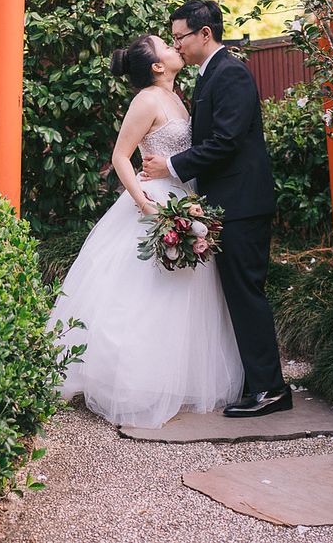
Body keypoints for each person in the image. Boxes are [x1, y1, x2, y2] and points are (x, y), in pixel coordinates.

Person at [48, 33, 244, 429]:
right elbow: (121, 156)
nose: (175, 49)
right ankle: (134, 382)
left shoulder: (176, 96)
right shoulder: (147, 100)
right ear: (157, 65)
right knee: (144, 292)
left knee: (184, 293)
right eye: (166, 47)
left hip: (184, 198)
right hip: (154, 200)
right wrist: (143, 202)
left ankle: (176, 378)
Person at [141, 0, 291, 418]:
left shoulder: (231, 74)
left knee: (246, 295)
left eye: (180, 38)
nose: (178, 46)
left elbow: (225, 143)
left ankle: (272, 390)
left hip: (242, 205)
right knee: (237, 296)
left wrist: (170, 164)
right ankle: (254, 381)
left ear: (205, 34)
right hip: (226, 204)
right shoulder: (208, 76)